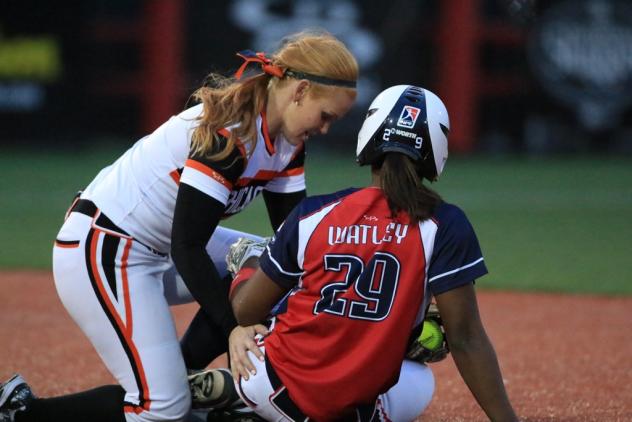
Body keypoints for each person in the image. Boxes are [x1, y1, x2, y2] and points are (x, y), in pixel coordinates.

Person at [0, 31, 358, 422]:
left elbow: (295, 241)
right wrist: (235, 325)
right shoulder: (231, 132)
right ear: (301, 90)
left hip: (158, 247)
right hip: (106, 248)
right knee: (163, 409)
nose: (325, 129)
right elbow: (187, 246)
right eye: (326, 117)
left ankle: (180, 371)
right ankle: (22, 412)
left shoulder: (287, 142)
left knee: (273, 265)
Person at [196, 85, 519, 421]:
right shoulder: (444, 225)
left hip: (265, 381)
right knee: (420, 379)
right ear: (437, 150)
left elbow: (246, 311)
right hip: (344, 410)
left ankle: (232, 394)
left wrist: (248, 265)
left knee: (281, 298)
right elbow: (465, 338)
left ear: (370, 136)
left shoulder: (314, 212)